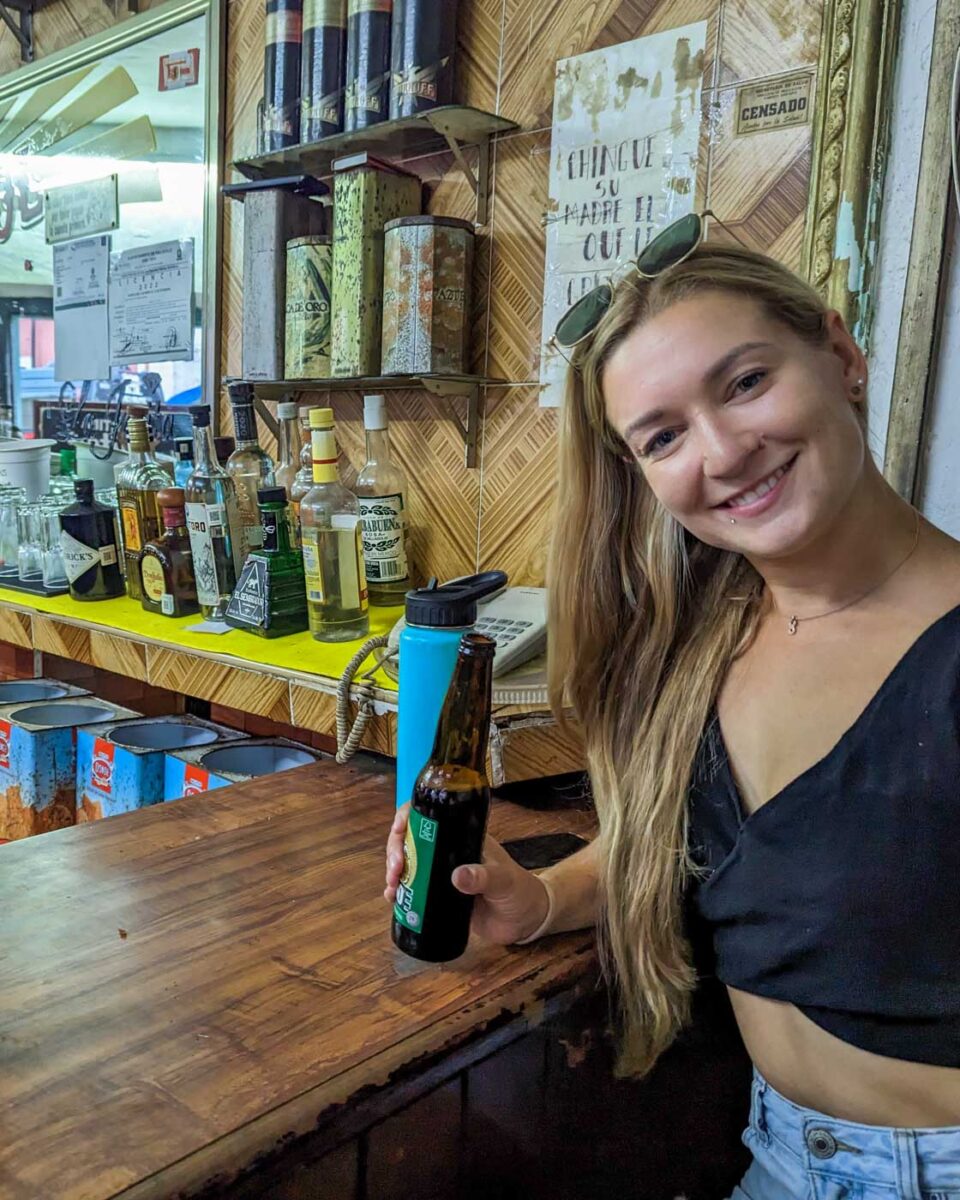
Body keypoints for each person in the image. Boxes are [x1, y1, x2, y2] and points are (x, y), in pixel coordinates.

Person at [385, 216, 960, 1199]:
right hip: (777, 1155)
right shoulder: (709, 637)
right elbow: (698, 837)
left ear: (842, 356)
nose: (726, 451)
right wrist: (542, 902)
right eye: (663, 436)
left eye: (745, 382)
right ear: (644, 478)